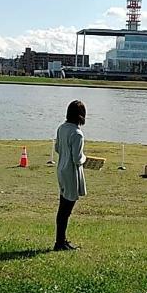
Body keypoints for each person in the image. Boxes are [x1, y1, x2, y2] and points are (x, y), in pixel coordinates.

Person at [54, 100, 86, 251]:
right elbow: (77, 159)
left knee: (63, 207)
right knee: (66, 211)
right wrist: (86, 158)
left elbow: (57, 148)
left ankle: (61, 240)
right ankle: (60, 242)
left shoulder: (61, 128)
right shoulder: (77, 134)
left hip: (61, 169)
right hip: (71, 173)